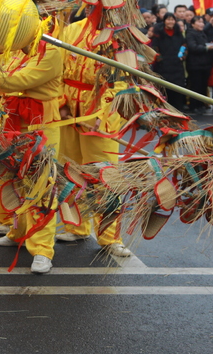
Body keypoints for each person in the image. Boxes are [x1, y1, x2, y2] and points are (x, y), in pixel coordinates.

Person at [0, 38, 64, 275]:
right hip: (13, 124)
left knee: (40, 185)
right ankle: (18, 232)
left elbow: (26, 79)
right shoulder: (16, 53)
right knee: (15, 180)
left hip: (41, 126)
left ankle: (42, 250)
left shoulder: (51, 52)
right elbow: (9, 83)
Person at [56, 15, 132, 256]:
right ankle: (75, 226)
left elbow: (121, 82)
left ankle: (110, 238)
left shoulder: (120, 35)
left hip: (99, 115)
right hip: (69, 111)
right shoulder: (72, 30)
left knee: (104, 175)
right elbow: (56, 66)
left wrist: (104, 113)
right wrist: (60, 101)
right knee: (70, 170)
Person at [148, 13, 187, 111]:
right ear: (164, 21)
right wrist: (160, 59)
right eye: (168, 19)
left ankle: (178, 113)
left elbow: (184, 45)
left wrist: (183, 56)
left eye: (172, 20)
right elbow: (154, 48)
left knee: (178, 91)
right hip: (163, 67)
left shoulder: (178, 33)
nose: (171, 22)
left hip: (177, 66)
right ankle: (165, 113)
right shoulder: (159, 34)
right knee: (164, 91)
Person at [184, 15, 213, 113]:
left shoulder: (202, 33)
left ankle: (201, 104)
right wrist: (206, 48)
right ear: (192, 24)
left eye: (202, 22)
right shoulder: (190, 34)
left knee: (203, 86)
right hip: (195, 65)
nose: (201, 24)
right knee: (195, 86)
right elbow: (193, 47)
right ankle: (194, 105)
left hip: (205, 65)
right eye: (198, 22)